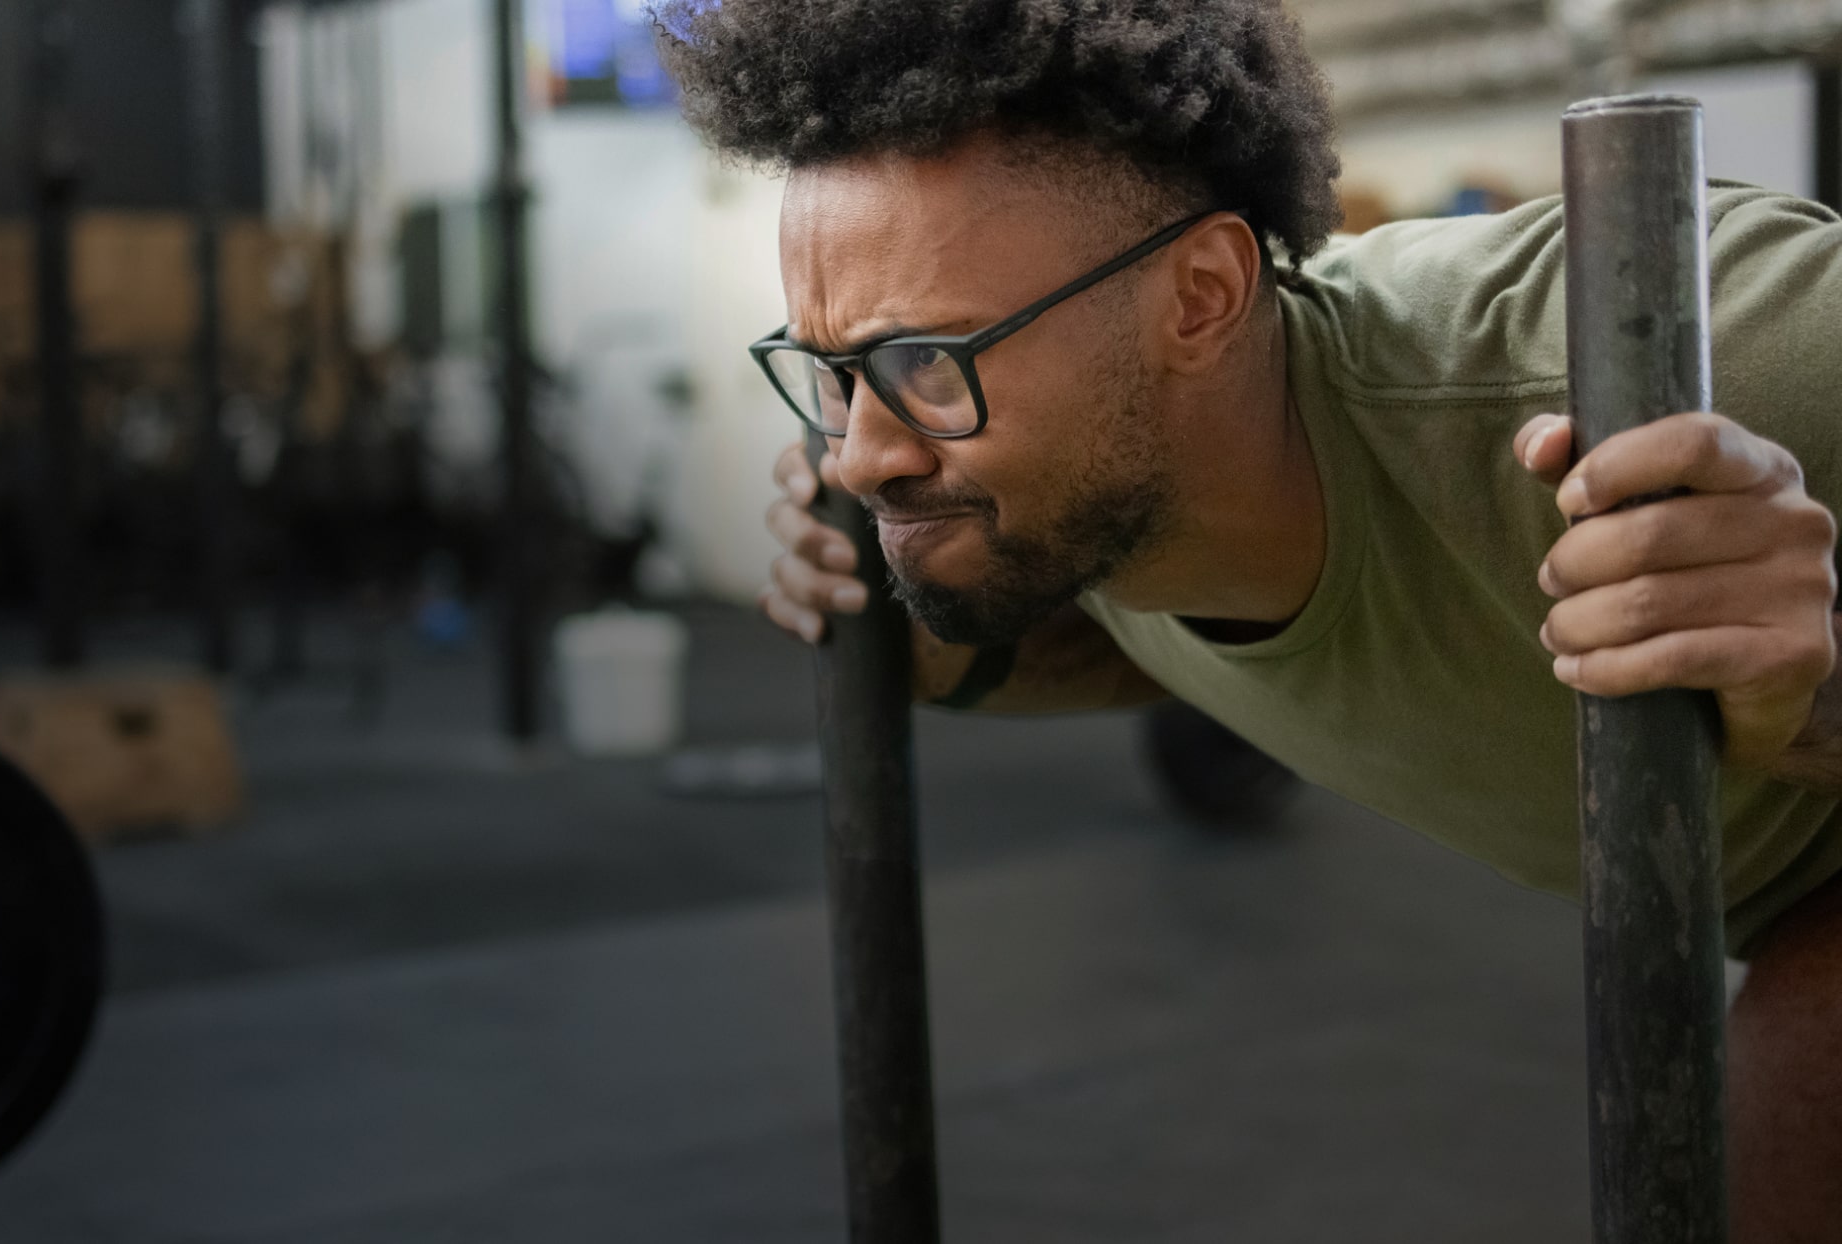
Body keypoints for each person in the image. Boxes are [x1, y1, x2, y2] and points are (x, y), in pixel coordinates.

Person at [671, 1, 1842, 1237]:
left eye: (924, 360)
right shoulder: (1113, 507)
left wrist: (1815, 692)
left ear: (1201, 295)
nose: (859, 457)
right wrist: (897, 631)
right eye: (833, 371)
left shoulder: (1712, 347)